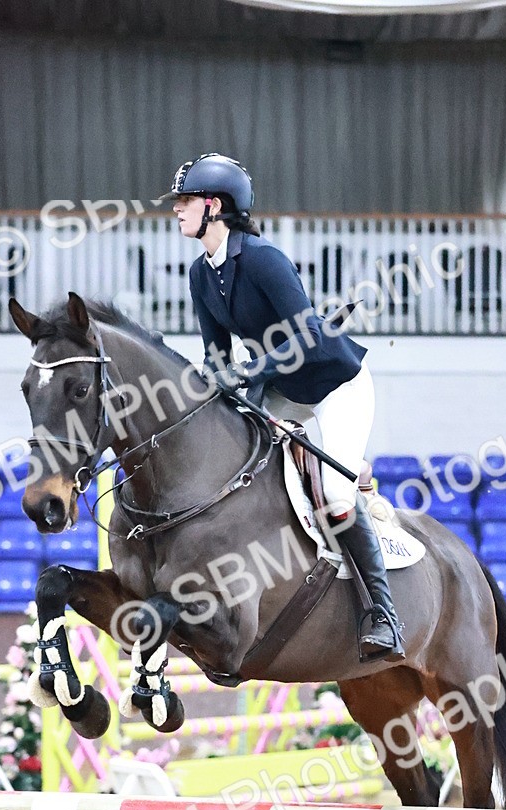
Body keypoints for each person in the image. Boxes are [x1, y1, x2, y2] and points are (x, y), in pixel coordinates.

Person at [168, 152, 403, 662]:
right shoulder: (200, 275)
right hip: (279, 385)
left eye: (184, 201)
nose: (177, 211)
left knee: (337, 494)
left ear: (214, 205)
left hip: (334, 383)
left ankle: (383, 614)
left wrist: (249, 371)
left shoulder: (263, 259)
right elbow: (217, 355)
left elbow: (312, 337)